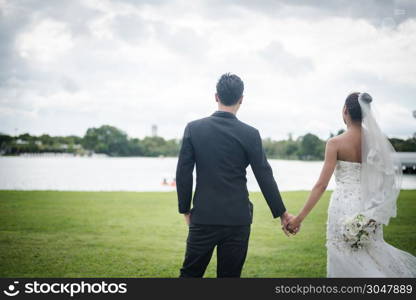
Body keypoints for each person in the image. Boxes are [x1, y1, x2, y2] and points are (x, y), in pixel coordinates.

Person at [176, 73, 293, 277]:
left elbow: (183, 173)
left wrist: (186, 210)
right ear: (241, 99)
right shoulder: (250, 133)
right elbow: (264, 175)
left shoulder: (194, 129)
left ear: (216, 97)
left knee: (190, 275)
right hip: (238, 219)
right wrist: (282, 213)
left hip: (203, 216)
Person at [287, 92, 416, 277]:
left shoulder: (335, 143)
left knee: (342, 256)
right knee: (371, 254)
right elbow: (385, 181)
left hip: (342, 206)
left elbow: (321, 185)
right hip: (369, 207)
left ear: (345, 110)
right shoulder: (376, 143)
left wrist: (298, 219)